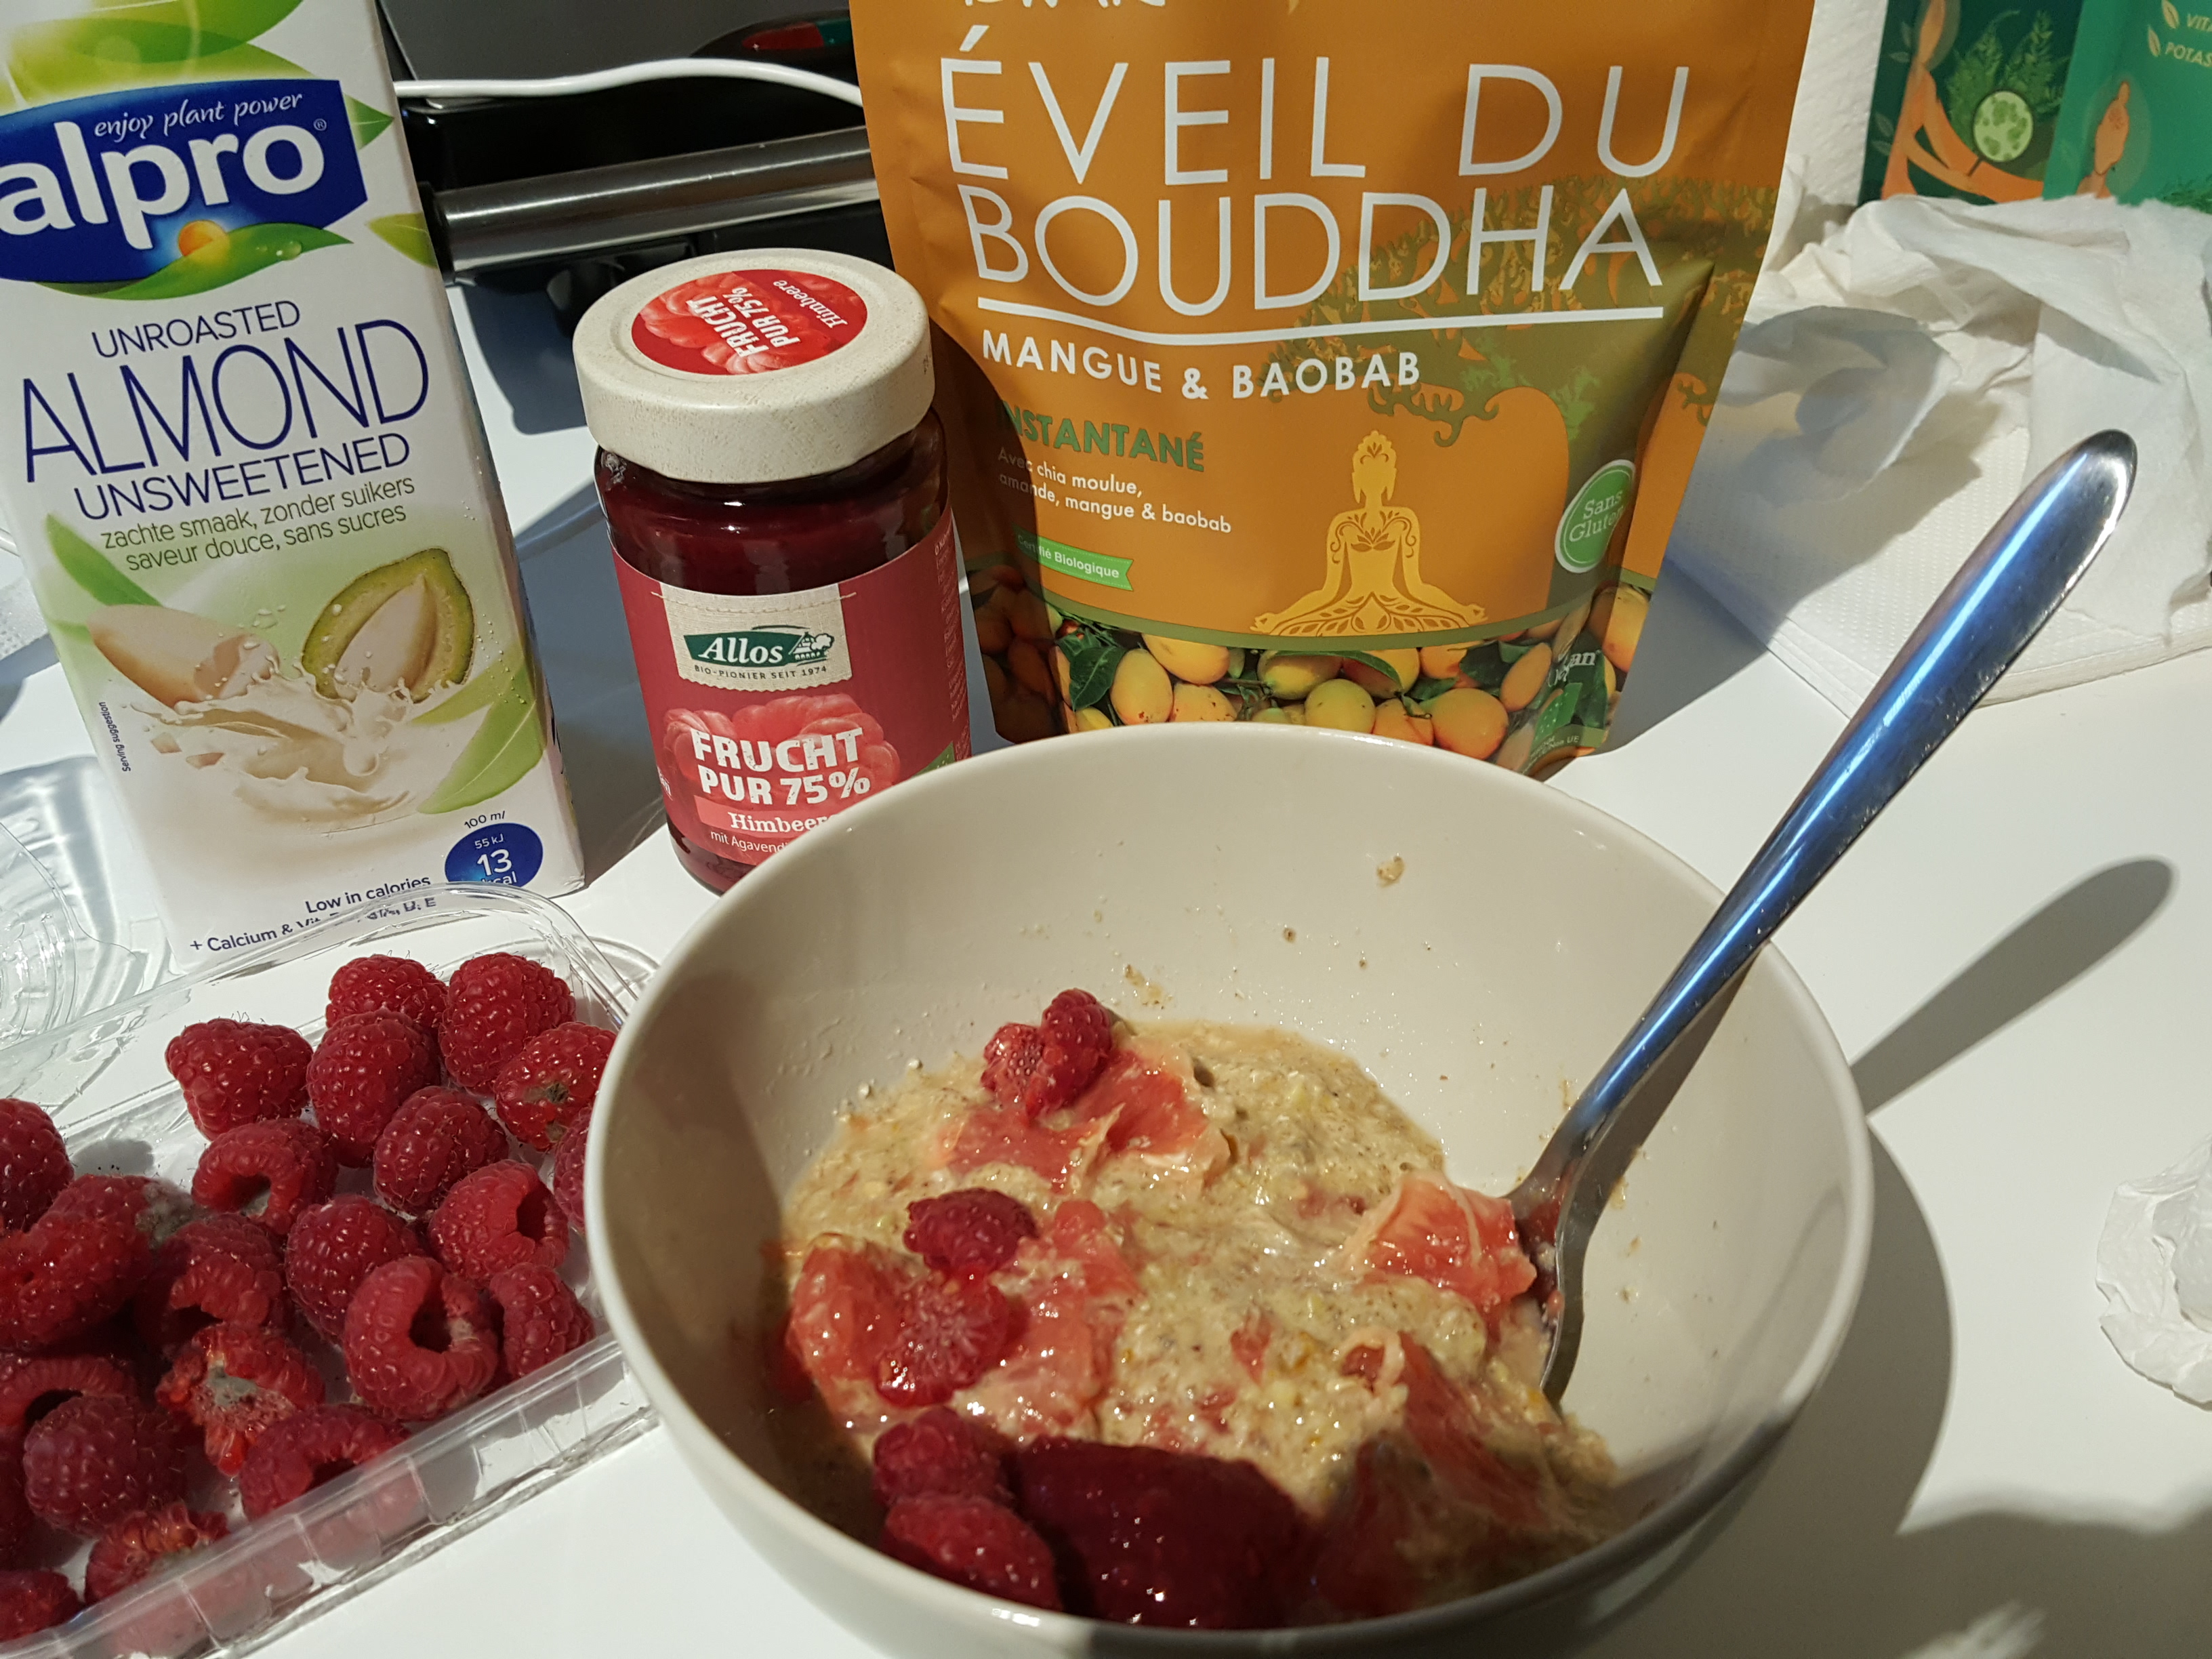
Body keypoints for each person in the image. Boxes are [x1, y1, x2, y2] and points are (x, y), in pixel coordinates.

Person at [1256, 432, 1483, 636]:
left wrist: (1460, 611)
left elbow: (1417, 587)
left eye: (1380, 474)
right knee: (1296, 629)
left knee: (1447, 623)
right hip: (1349, 610)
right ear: (1356, 477)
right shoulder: (1343, 524)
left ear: (1391, 477)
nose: (1373, 481)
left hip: (1396, 608)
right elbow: (1328, 592)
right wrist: (1281, 619)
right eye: (1367, 474)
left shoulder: (1403, 520)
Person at [1881, 0, 2041, 202]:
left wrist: (1964, 172)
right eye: (1930, 24)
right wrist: (1948, 175)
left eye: (1939, 26)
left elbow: (1938, 137)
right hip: (1896, 181)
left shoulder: (1928, 83)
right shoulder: (1908, 79)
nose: (1933, 35)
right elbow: (1906, 144)